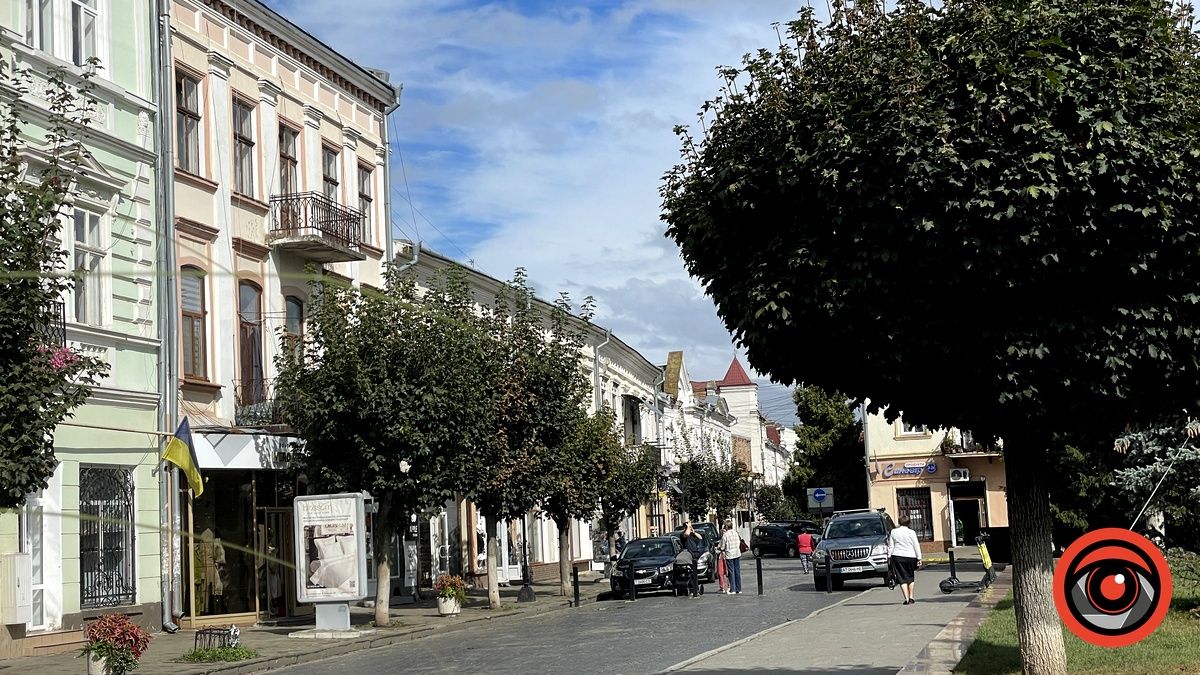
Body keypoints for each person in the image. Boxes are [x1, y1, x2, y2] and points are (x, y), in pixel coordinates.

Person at [887, 514, 923, 605]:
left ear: (899, 522)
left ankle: (906, 599)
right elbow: (916, 545)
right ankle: (911, 597)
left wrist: (889, 557)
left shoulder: (894, 532)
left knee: (901, 578)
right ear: (909, 522)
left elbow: (891, 546)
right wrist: (919, 558)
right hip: (911, 556)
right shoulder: (911, 532)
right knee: (910, 576)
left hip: (897, 556)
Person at [682, 522, 706, 597]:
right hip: (688, 555)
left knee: (694, 573)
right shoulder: (683, 535)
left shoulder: (692, 534)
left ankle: (695, 588)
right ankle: (693, 588)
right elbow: (686, 534)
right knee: (691, 573)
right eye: (688, 527)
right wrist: (688, 527)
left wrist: (693, 531)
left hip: (695, 554)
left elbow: (700, 538)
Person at [719, 521, 743, 594]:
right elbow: (739, 542)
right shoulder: (736, 533)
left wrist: (720, 548)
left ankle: (733, 589)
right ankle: (739, 589)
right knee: (737, 571)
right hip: (737, 553)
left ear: (726, 527)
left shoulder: (725, 535)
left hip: (729, 555)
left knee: (731, 572)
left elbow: (722, 546)